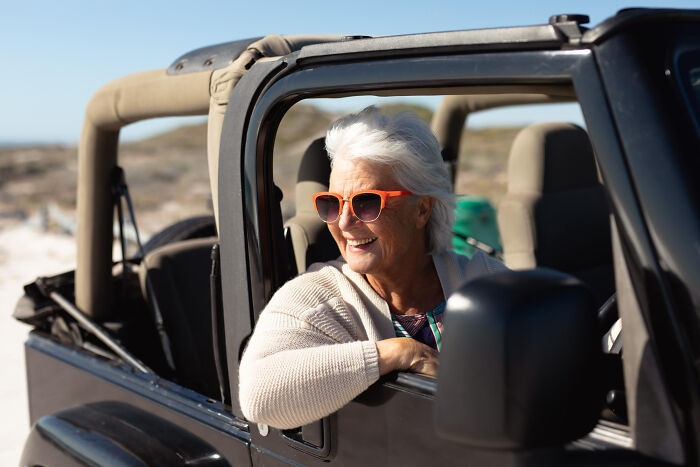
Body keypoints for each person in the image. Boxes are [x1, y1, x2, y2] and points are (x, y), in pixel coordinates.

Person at [239, 106, 506, 429]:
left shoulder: (483, 282)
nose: (345, 222)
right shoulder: (316, 296)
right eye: (332, 204)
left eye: (367, 202)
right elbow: (259, 396)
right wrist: (399, 353)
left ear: (422, 209)